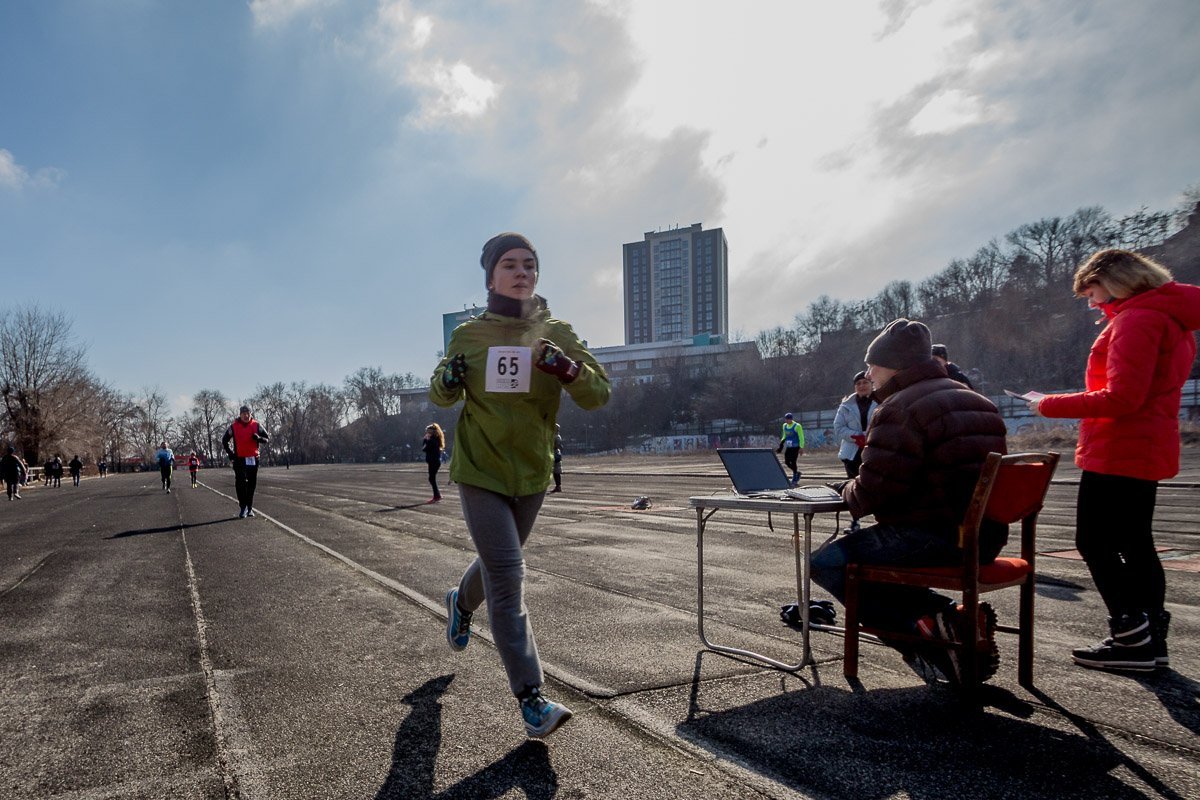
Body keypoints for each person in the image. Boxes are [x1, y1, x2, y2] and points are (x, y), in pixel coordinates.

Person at [431, 232, 610, 738]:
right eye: (509, 264)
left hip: (531, 471)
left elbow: (599, 394)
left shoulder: (558, 331)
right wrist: (448, 379)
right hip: (480, 469)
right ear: (490, 276)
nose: (521, 271)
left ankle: (460, 603)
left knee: (495, 567)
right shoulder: (469, 334)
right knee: (509, 576)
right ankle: (531, 698)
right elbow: (440, 392)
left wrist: (569, 370)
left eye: (529, 264)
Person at [811, 318, 1008, 686]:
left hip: (932, 537)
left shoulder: (900, 407)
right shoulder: (978, 400)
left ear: (893, 365)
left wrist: (843, 490)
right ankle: (947, 621)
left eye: (872, 365)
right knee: (877, 560)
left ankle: (935, 637)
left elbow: (872, 493)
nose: (868, 374)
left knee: (825, 564)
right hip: (983, 537)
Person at [1030, 249, 1200, 672]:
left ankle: (1130, 636)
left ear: (1118, 282)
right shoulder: (1170, 317)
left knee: (1094, 542)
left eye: (1093, 291)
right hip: (1148, 442)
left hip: (1119, 447)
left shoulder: (1136, 320)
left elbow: (1122, 397)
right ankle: (1151, 641)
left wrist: (1048, 404)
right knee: (1137, 543)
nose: (1092, 303)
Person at [222, 405, 271, 518]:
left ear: (250, 414)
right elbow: (224, 440)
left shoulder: (256, 425)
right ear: (240, 415)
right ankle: (243, 507)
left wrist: (259, 438)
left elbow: (267, 438)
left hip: (253, 459)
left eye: (248, 413)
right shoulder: (233, 427)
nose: (246, 415)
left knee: (251, 484)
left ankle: (250, 508)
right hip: (239, 459)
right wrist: (231, 454)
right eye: (243, 413)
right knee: (240, 483)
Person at [832, 371, 877, 479]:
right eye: (858, 383)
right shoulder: (845, 406)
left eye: (865, 382)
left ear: (872, 384)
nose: (862, 386)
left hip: (875, 451)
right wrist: (857, 436)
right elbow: (838, 427)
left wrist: (869, 437)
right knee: (854, 487)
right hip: (851, 454)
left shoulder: (882, 402)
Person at [776, 412, 805, 486]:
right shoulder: (784, 426)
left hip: (795, 447)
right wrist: (781, 444)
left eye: (789, 419)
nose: (787, 421)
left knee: (793, 461)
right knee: (786, 462)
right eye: (786, 419)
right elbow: (784, 435)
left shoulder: (797, 426)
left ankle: (794, 477)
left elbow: (801, 437)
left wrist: (801, 447)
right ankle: (796, 473)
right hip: (789, 447)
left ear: (791, 419)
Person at [421, 423, 445, 503]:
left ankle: (437, 496)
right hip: (434, 461)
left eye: (428, 432)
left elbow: (424, 449)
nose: (427, 433)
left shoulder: (432, 440)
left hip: (433, 461)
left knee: (432, 478)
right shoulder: (436, 439)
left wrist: (426, 440)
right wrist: (426, 440)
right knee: (431, 478)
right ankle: (437, 495)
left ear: (431, 432)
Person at [549, 424, 563, 493]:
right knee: (556, 472)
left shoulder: (555, 437)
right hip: (557, 453)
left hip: (555, 454)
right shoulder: (558, 436)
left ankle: (558, 486)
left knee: (556, 472)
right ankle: (558, 486)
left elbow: (555, 445)